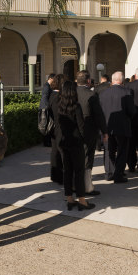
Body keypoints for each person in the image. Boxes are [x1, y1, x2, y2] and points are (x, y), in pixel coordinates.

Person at [58, 80, 96, 211]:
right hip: (76, 143)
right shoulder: (76, 107)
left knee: (67, 171)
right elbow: (81, 127)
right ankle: (82, 200)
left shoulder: (60, 106)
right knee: (79, 172)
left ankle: (69, 198)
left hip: (64, 142)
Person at [99, 72, 135, 183]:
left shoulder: (102, 93)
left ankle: (109, 173)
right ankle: (118, 174)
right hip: (122, 126)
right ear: (122, 81)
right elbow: (131, 111)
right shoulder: (127, 92)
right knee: (122, 150)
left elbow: (100, 111)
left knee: (109, 149)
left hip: (107, 125)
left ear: (113, 80)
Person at [76, 70, 106, 196]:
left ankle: (74, 184)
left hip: (73, 131)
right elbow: (98, 115)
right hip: (89, 131)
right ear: (88, 81)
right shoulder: (91, 95)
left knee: (76, 159)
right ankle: (87, 186)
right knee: (88, 158)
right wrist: (104, 131)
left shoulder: (71, 93)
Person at [47, 74, 65, 184]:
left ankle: (54, 175)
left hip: (53, 127)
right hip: (60, 126)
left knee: (54, 150)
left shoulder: (51, 95)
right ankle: (60, 175)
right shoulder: (59, 97)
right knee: (61, 151)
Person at [39, 74, 55, 147]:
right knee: (46, 124)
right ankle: (46, 142)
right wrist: (47, 107)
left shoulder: (48, 86)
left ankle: (47, 141)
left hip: (45, 107)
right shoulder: (46, 86)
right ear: (51, 78)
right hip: (45, 108)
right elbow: (45, 97)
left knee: (48, 124)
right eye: (54, 79)